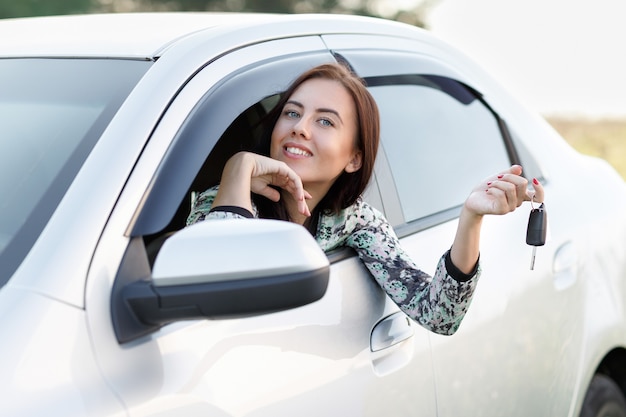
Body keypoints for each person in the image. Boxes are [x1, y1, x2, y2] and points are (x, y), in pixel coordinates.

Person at [186, 63, 544, 335]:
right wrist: (237, 169)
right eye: (292, 113)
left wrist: (471, 217)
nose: (300, 127)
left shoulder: (355, 220)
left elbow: (440, 315)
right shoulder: (222, 203)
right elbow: (207, 286)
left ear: (354, 158)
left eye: (325, 122)